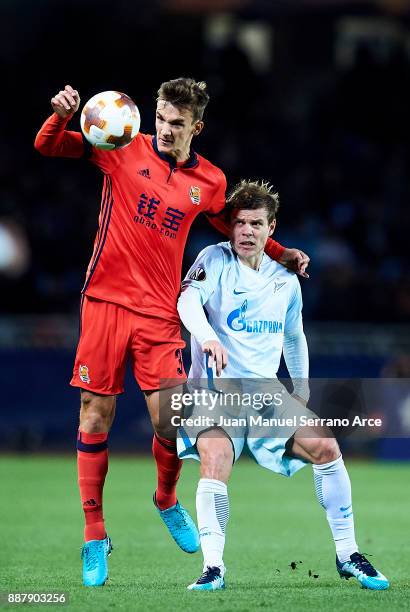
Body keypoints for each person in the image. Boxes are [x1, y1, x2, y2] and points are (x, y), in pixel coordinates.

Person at [34, 78, 310, 587]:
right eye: (161, 118)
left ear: (196, 127)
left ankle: (165, 498)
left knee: (169, 425)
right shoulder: (119, 144)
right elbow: (48, 146)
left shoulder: (208, 181)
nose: (164, 130)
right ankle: (95, 532)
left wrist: (282, 253)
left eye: (176, 123)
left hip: (161, 315)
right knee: (95, 414)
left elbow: (237, 227)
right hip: (105, 304)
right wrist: (60, 115)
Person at [176, 179, 389, 592]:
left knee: (326, 446)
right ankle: (213, 567)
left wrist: (303, 391)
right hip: (215, 393)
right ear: (230, 226)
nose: (246, 231)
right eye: (238, 223)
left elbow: (294, 336)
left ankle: (348, 554)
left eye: (256, 223)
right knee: (216, 458)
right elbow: (186, 300)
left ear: (271, 228)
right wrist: (208, 337)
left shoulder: (285, 280)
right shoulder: (213, 259)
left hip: (266, 393)